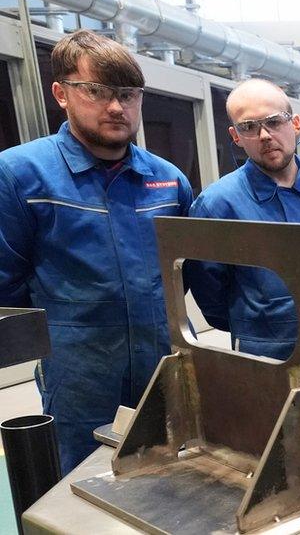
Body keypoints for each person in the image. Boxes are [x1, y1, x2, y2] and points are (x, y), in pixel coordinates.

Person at [0, 30, 192, 471]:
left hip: (161, 371)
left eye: (128, 94)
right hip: (79, 379)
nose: (115, 107)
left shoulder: (168, 181)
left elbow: (186, 274)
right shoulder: (21, 175)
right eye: (96, 92)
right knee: (82, 489)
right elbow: (6, 288)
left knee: (173, 481)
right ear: (61, 94)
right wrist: (70, 334)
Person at [183, 79, 300, 365]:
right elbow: (210, 297)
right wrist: (261, 324)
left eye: (274, 121)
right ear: (235, 136)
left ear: (295, 124)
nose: (265, 135)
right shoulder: (219, 205)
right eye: (249, 127)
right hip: (269, 363)